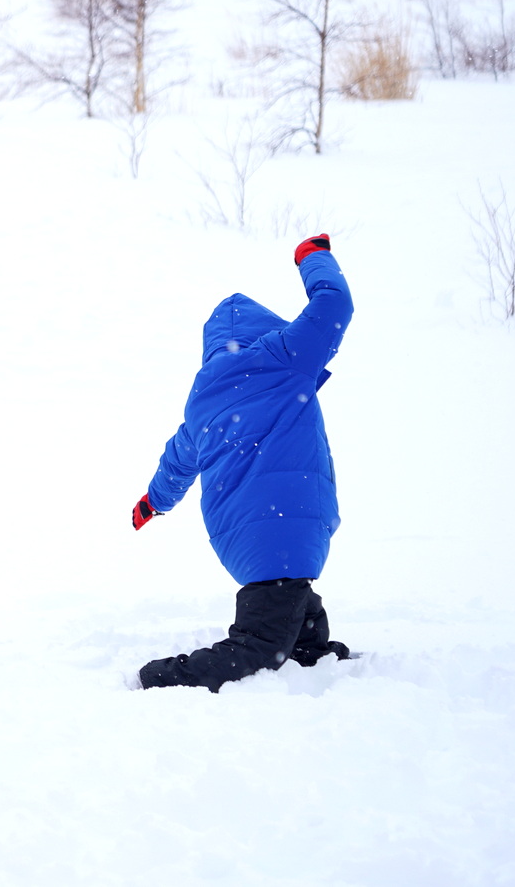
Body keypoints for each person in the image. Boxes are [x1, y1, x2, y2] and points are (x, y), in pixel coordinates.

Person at [131, 234, 354, 692]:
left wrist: (152, 504)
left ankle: (309, 648)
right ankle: (162, 676)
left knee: (297, 616)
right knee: (260, 646)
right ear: (264, 328)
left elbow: (177, 463)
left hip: (242, 533)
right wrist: (314, 257)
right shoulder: (284, 355)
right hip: (280, 530)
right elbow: (335, 304)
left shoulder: (203, 401)